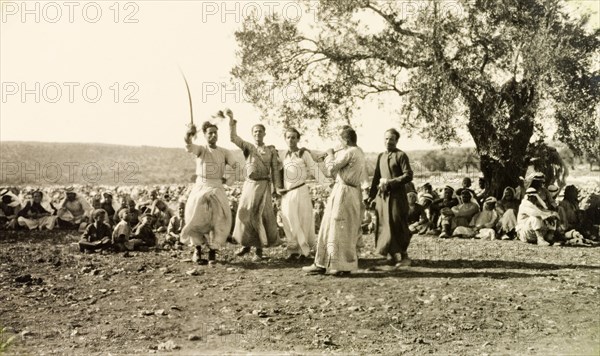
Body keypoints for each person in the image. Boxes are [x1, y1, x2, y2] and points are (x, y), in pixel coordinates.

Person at [303, 125, 367, 275]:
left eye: (339, 139)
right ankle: (321, 263)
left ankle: (343, 266)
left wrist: (330, 154)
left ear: (345, 140)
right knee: (328, 226)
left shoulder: (350, 152)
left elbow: (331, 169)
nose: (338, 142)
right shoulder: (357, 151)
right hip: (343, 190)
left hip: (344, 191)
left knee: (340, 228)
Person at [229, 110, 283, 261]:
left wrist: (277, 188)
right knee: (245, 213)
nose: (258, 133)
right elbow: (233, 138)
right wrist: (232, 120)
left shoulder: (271, 150)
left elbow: (275, 171)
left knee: (261, 215)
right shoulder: (248, 148)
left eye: (260, 131)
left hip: (264, 186)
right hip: (249, 185)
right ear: (252, 134)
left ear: (264, 134)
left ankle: (259, 250)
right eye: (255, 131)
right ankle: (246, 245)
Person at [181, 119, 237, 265]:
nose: (213, 135)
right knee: (195, 216)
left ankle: (213, 250)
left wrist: (227, 180)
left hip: (217, 187)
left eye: (215, 133)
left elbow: (237, 166)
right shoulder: (201, 150)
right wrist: (189, 133)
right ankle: (197, 249)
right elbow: (188, 144)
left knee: (219, 218)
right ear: (205, 135)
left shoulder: (224, 152)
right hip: (201, 186)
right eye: (210, 133)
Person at [278, 128, 327, 261]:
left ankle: (304, 252)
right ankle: (292, 250)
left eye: (294, 137)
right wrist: (276, 188)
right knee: (289, 221)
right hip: (287, 194)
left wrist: (327, 184)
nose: (291, 140)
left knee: (303, 220)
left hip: (301, 190)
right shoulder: (282, 155)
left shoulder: (303, 154)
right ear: (285, 139)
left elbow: (314, 169)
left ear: (298, 139)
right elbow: (276, 173)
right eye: (288, 137)